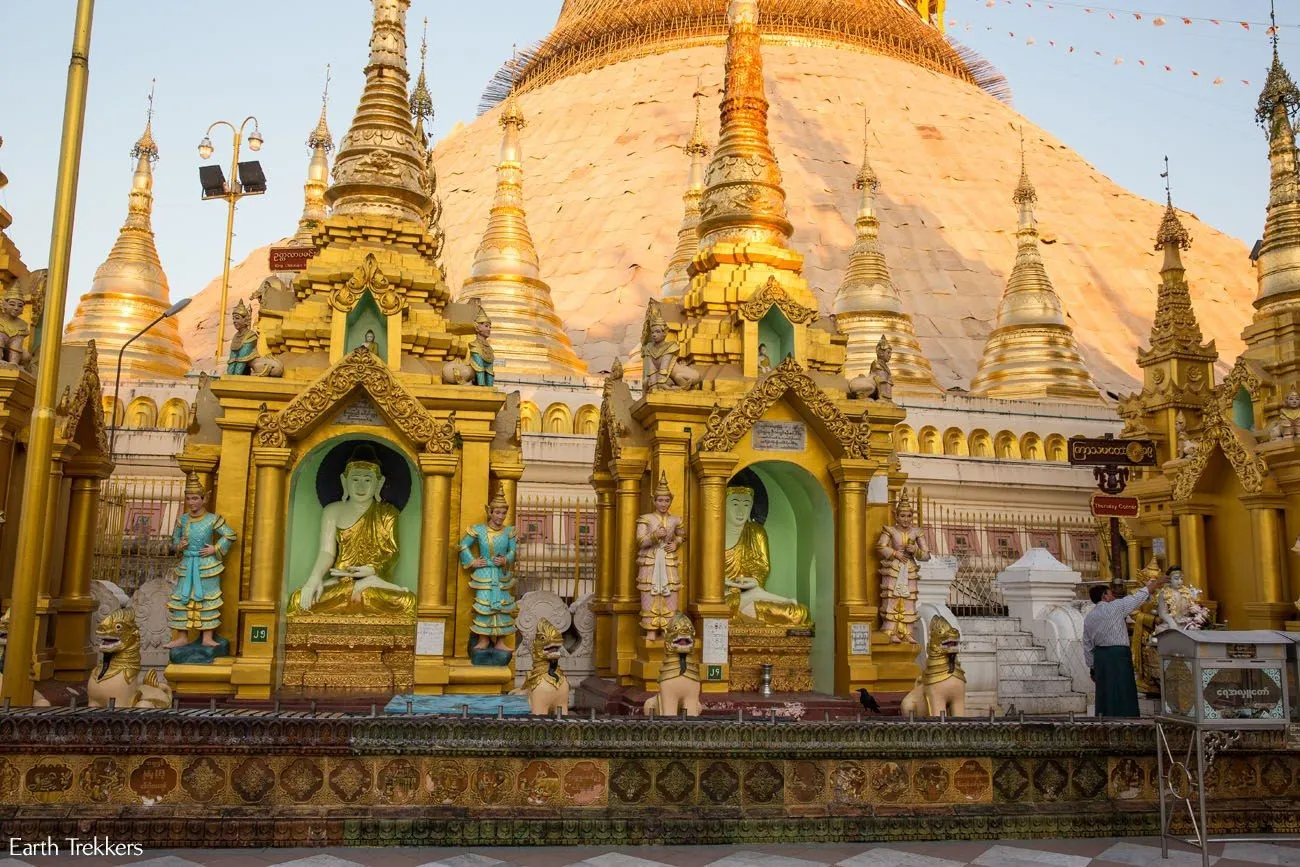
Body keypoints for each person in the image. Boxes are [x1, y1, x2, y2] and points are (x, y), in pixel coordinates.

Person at [1084, 571, 1167, 717]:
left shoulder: (1089, 617)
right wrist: (1157, 583)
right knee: (1123, 688)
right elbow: (1138, 597)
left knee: (1105, 690)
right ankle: (1127, 718)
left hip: (1101, 657)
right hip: (1118, 654)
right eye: (1110, 594)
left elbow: (1087, 645)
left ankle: (1105, 718)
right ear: (1104, 596)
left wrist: (1092, 667)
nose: (1113, 596)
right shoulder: (1116, 607)